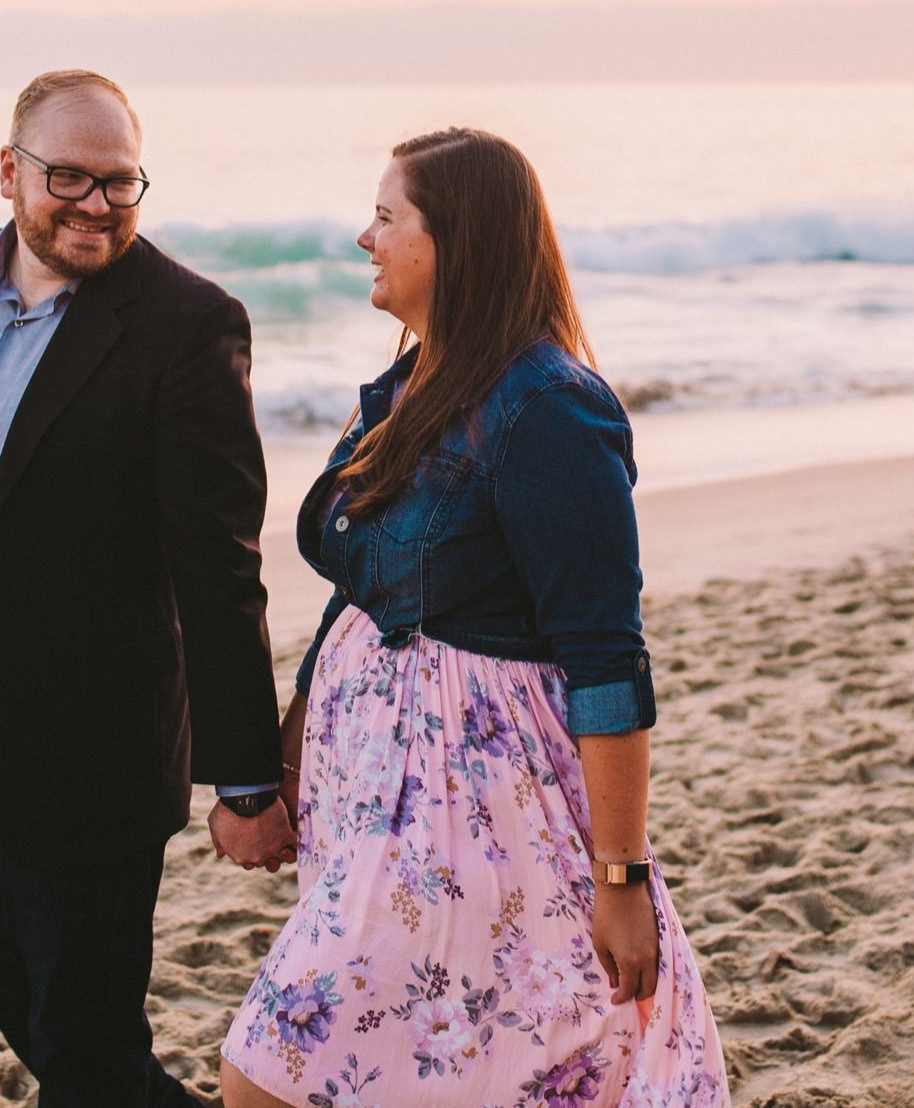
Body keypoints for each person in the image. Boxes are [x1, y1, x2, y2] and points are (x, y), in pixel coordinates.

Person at [219, 128, 727, 1108]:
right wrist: (287, 750)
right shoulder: (408, 385)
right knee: (429, 1067)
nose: (364, 237)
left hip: (475, 807)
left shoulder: (550, 410)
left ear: (455, 239)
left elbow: (607, 658)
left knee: (269, 1073)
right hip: (373, 793)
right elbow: (356, 588)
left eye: (385, 215)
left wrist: (619, 874)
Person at [0, 69, 296, 1108]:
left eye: (120, 183)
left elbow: (219, 567)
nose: (95, 205)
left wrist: (245, 778)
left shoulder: (187, 324)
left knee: (79, 1032)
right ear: (9, 172)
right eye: (69, 179)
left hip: (94, 747)